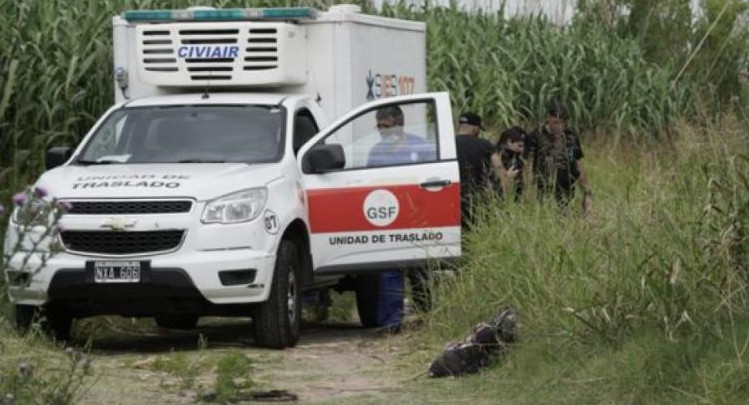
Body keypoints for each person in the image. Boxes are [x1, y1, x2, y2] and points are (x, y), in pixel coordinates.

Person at [366, 105, 436, 333]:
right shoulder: (376, 152)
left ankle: (429, 318)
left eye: (385, 126)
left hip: (418, 218)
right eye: (379, 127)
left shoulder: (422, 147)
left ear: (399, 124)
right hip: (389, 219)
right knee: (389, 271)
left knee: (421, 271)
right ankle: (391, 322)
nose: (381, 131)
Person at [527, 101, 592, 212]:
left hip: (566, 187)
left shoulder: (570, 136)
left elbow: (577, 163)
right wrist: (527, 193)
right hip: (544, 187)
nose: (559, 127)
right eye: (556, 122)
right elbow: (527, 165)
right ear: (548, 117)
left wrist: (587, 192)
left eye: (562, 123)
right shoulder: (536, 135)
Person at [455, 112, 499, 225]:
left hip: (453, 198)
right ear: (475, 128)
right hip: (478, 200)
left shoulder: (448, 144)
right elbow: (499, 168)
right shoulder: (486, 145)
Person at [494, 126, 527, 201]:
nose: (522, 150)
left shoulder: (517, 159)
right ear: (509, 142)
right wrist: (507, 177)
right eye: (519, 146)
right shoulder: (496, 157)